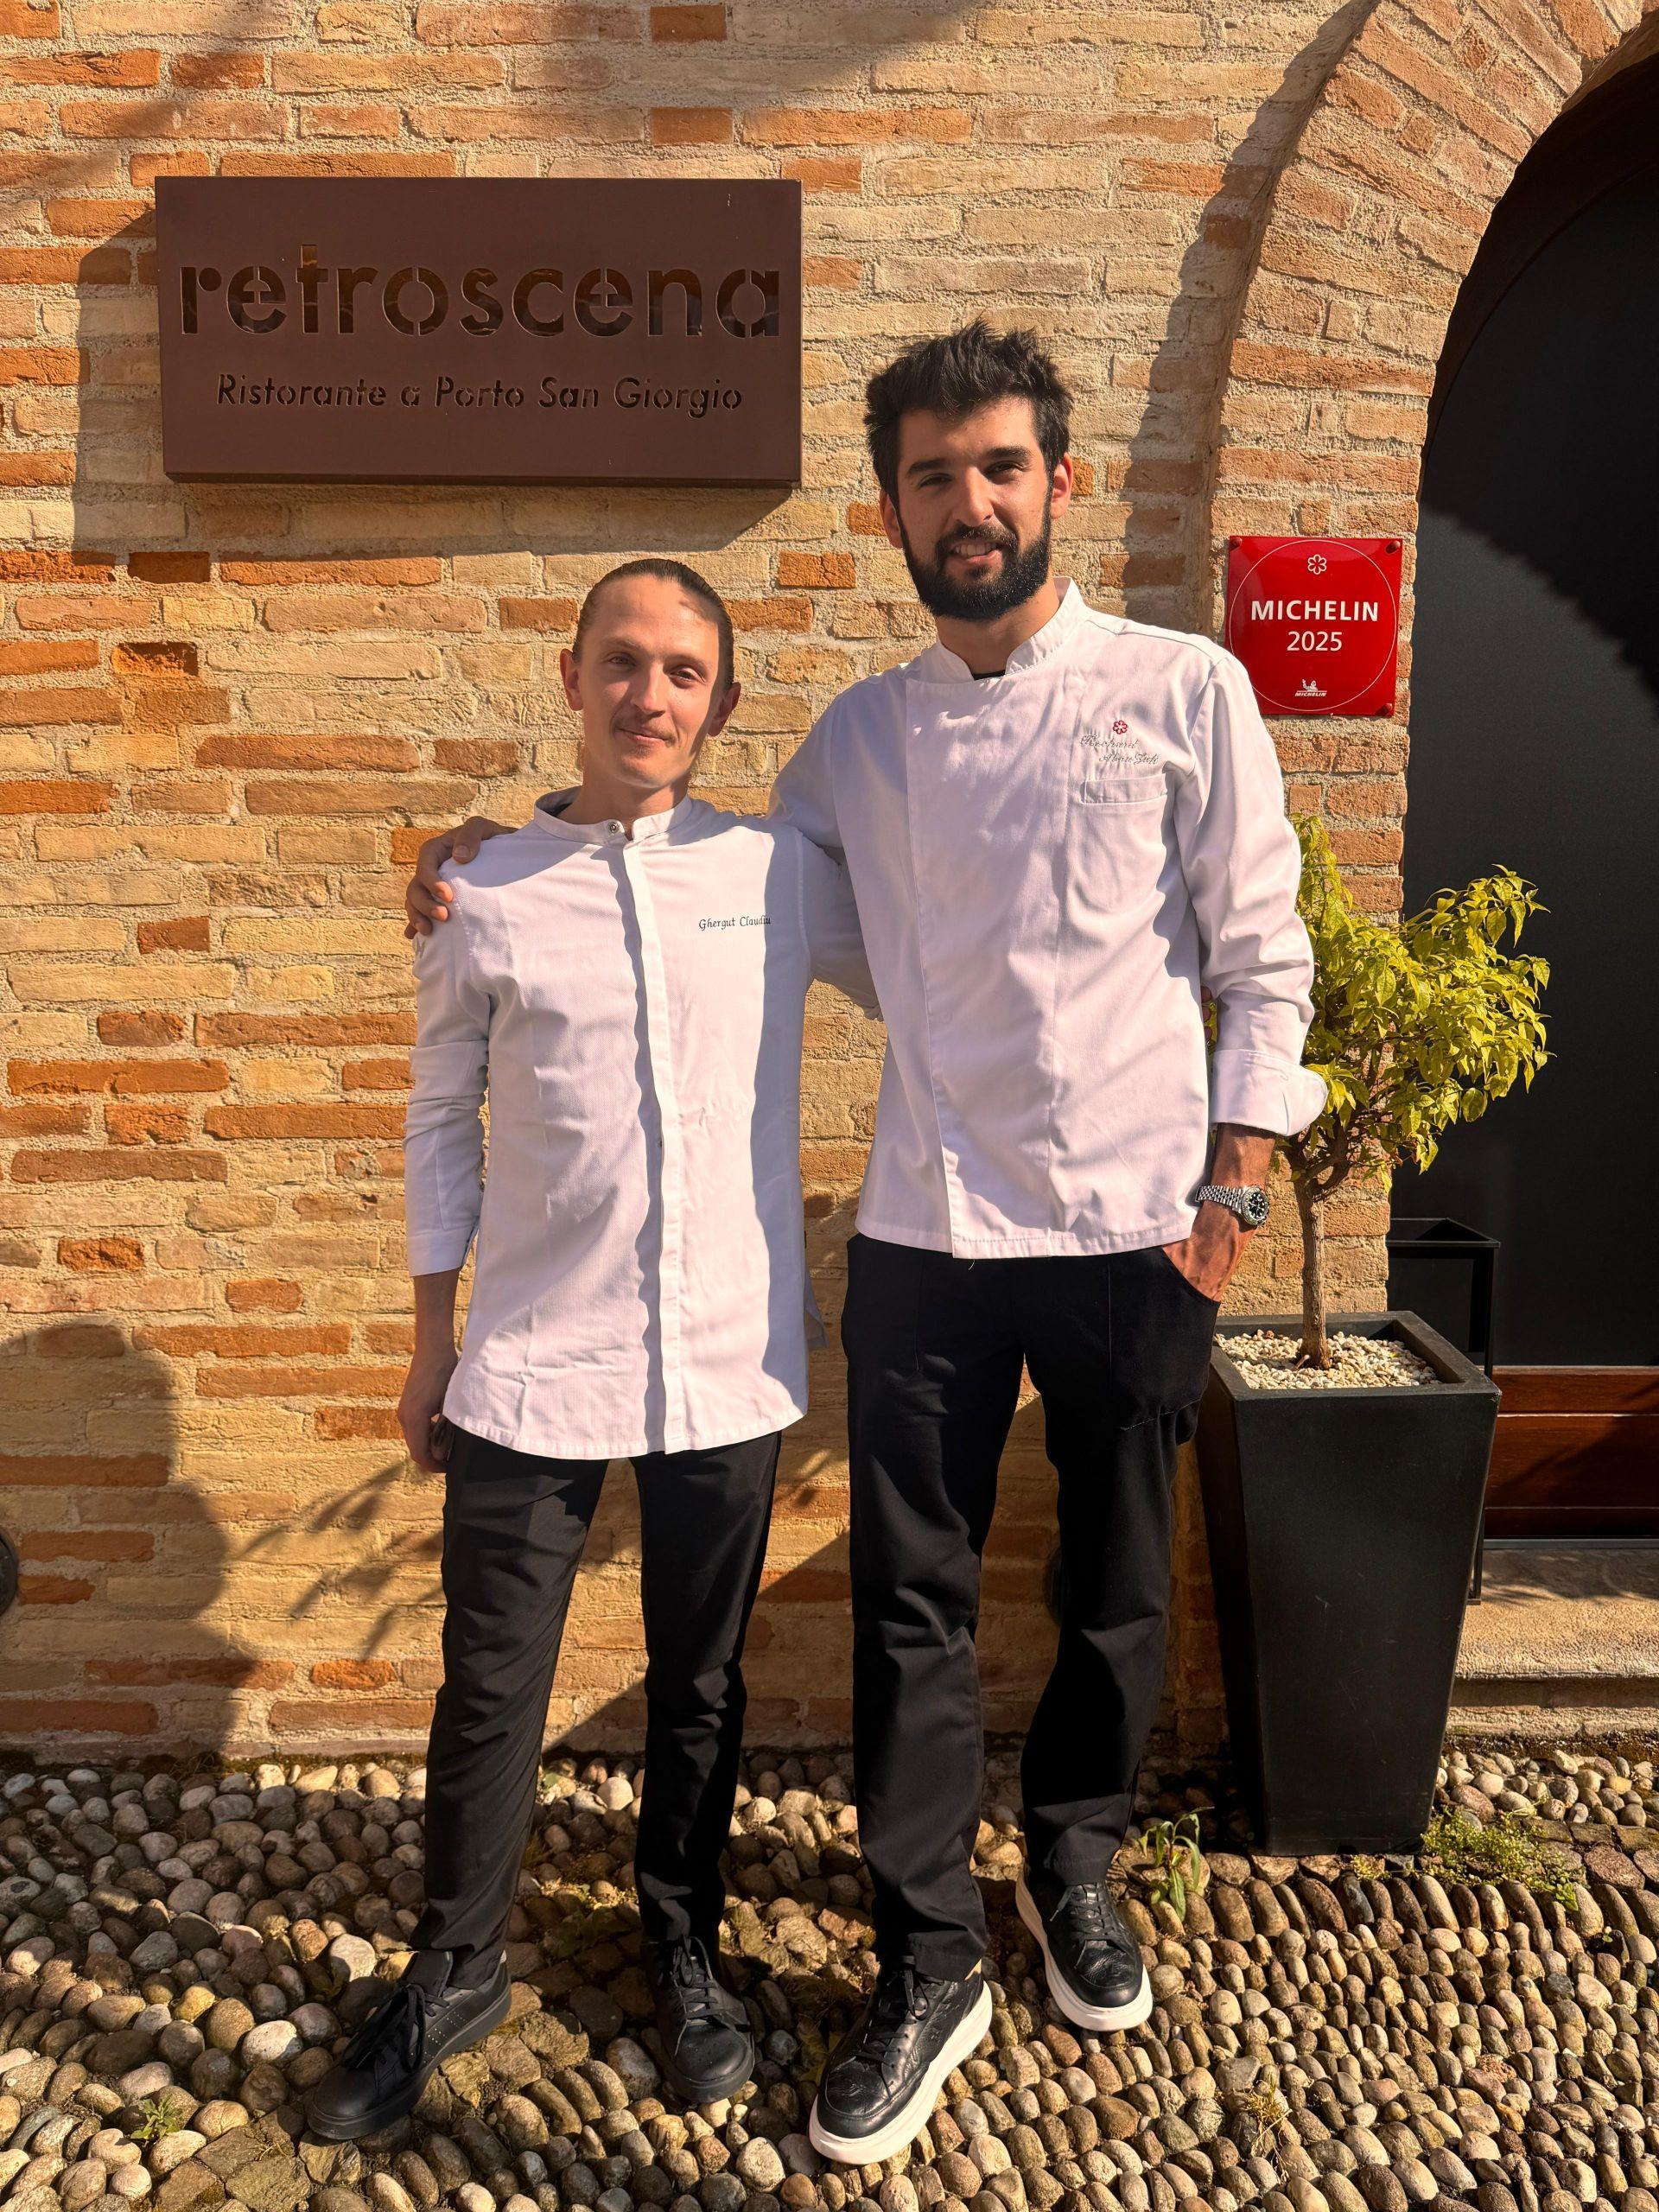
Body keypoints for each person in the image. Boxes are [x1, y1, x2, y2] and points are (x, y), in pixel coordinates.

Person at [403, 322, 1328, 2164]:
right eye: (930, 476)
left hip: (1143, 1223)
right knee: (914, 1604)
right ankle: (927, 1949)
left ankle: (1074, 1861)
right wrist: (499, 850)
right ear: (891, 509)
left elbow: (1263, 948)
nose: (967, 502)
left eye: (998, 466)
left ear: (1057, 481)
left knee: (1117, 1582)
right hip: (929, 1228)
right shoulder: (856, 744)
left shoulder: (1186, 688)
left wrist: (1234, 1184)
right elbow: (691, 872)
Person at [305, 559, 875, 2143]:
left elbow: (943, 964)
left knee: (700, 1681)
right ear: (570, 678)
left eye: (684, 671)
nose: (650, 695)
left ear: (723, 702)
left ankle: (682, 1941)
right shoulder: (483, 889)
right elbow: (439, 1119)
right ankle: (455, 1969)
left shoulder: (779, 872)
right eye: (622, 662)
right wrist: (431, 1341)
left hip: (723, 1355)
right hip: (530, 1357)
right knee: (491, 1684)